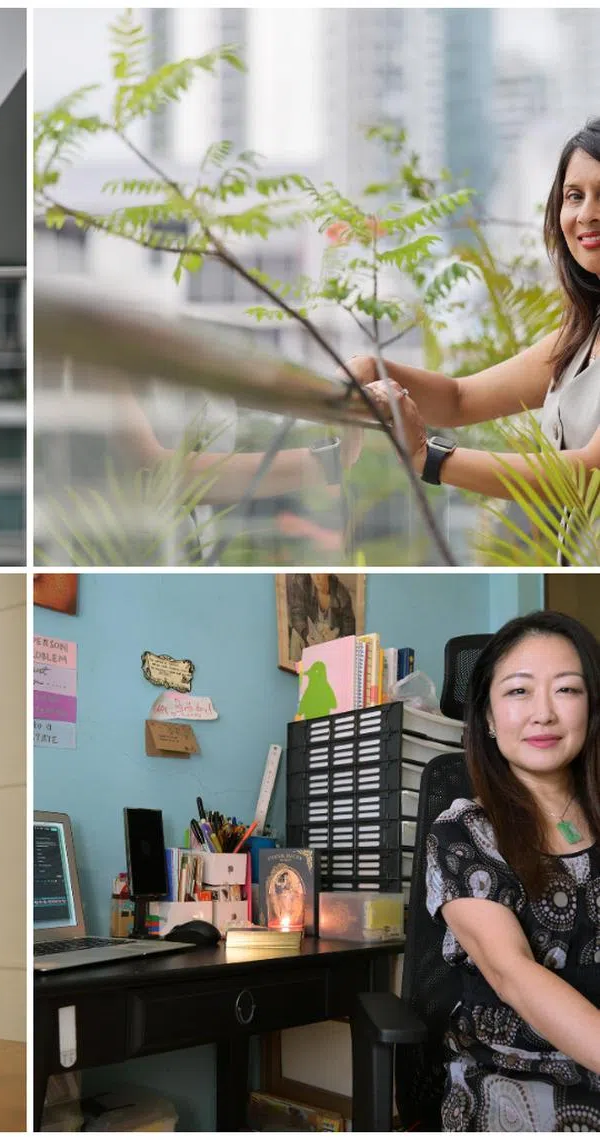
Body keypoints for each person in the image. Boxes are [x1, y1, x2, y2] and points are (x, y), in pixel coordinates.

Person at [351, 119, 600, 504]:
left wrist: (426, 457)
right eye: (574, 196)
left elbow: (587, 472)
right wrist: (372, 369)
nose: (586, 214)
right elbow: (459, 399)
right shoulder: (583, 334)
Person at [426, 610, 600, 1130]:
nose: (543, 713)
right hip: (518, 1083)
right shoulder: (464, 832)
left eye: (567, 690)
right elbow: (513, 975)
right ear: (487, 717)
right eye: (519, 692)